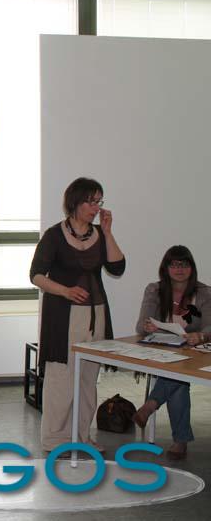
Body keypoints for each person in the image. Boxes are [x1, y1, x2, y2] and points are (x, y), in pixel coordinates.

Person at [30, 177, 125, 453]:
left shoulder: (99, 234)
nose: (96, 207)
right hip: (63, 316)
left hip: (96, 314)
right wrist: (65, 291)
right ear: (75, 202)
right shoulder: (54, 235)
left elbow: (117, 267)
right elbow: (36, 275)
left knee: (88, 379)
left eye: (99, 201)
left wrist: (107, 232)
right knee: (61, 379)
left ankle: (82, 437)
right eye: (90, 201)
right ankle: (55, 440)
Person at [133, 245, 211, 460]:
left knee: (177, 374)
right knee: (177, 378)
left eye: (184, 264)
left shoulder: (204, 292)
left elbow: (209, 325)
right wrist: (148, 326)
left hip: (193, 350)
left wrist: (201, 336)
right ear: (165, 268)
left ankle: (151, 405)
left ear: (192, 268)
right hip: (163, 348)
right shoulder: (154, 289)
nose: (179, 269)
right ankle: (180, 440)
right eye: (174, 265)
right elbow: (141, 325)